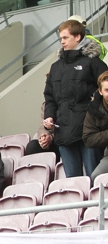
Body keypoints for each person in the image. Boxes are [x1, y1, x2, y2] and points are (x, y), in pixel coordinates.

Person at [44, 19, 107, 178]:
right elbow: (49, 97)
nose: (62, 42)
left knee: (95, 179)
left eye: (65, 38)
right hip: (63, 130)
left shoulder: (93, 62)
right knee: (73, 182)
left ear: (78, 37)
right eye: (61, 38)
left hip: (89, 130)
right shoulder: (55, 67)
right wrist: (49, 116)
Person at [82, 71, 108, 180]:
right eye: (107, 90)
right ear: (100, 91)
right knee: (96, 177)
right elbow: (88, 138)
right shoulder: (94, 110)